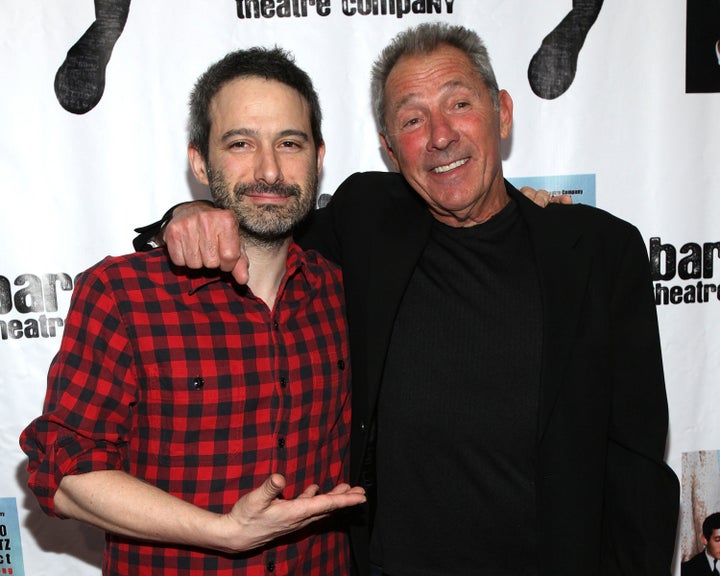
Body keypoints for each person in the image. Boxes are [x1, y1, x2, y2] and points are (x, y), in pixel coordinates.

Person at [138, 23, 679, 575]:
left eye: (459, 104)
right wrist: (185, 214)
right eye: (413, 119)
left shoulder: (599, 252)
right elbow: (262, 221)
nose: (441, 135)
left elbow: (637, 465)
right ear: (391, 149)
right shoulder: (365, 219)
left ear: (504, 114)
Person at [20, 46, 367, 576]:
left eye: (289, 143)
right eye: (241, 143)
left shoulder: (346, 292)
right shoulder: (123, 294)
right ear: (200, 161)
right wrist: (222, 532)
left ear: (319, 158)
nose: (269, 169)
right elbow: (61, 473)